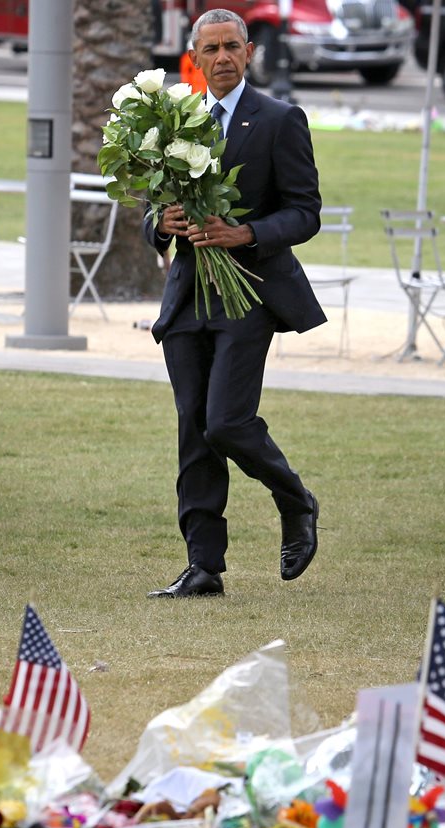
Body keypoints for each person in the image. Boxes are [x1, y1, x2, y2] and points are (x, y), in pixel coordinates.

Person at [145, 8, 326, 598]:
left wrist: (244, 234)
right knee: (194, 431)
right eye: (211, 49)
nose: (222, 58)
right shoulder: (174, 123)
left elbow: (305, 212)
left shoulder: (279, 119)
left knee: (226, 422)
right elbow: (154, 211)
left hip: (250, 295)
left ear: (249, 53)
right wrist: (163, 223)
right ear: (194, 58)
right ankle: (204, 567)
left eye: (232, 47)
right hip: (187, 296)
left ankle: (294, 499)